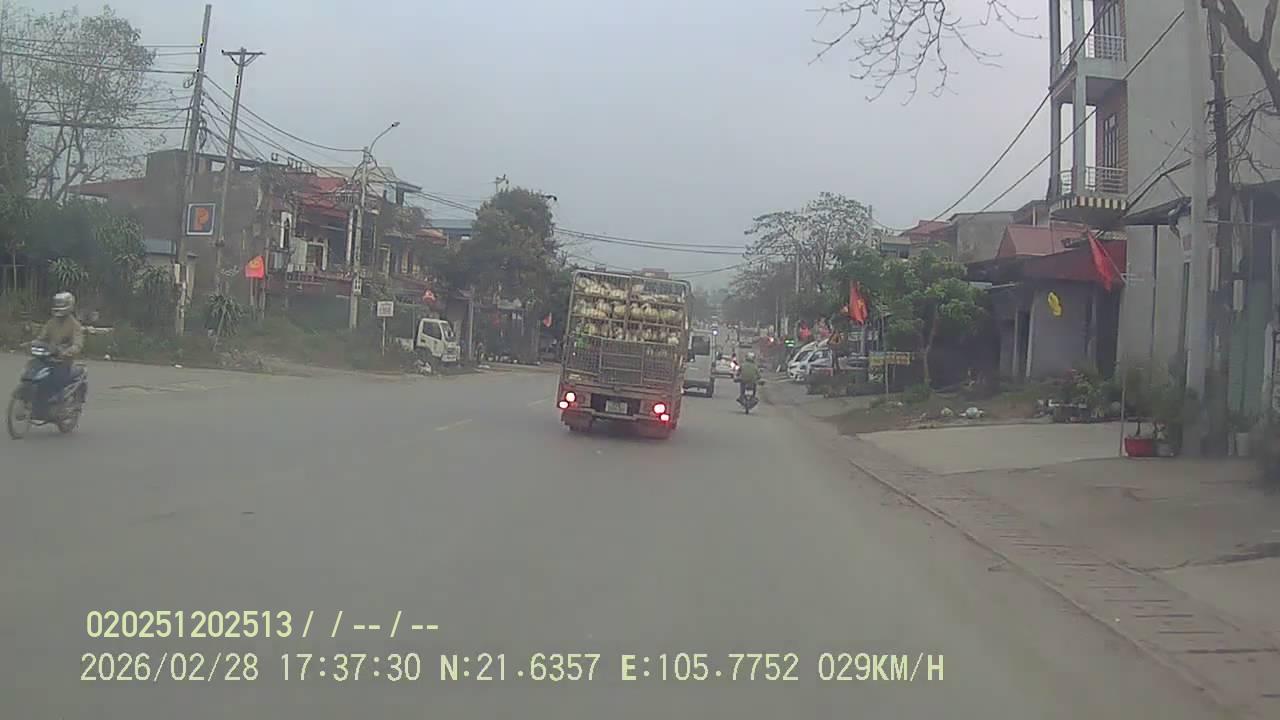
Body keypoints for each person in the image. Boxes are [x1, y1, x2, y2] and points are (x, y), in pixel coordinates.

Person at [35, 291, 84, 402]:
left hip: (63, 361)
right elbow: (42, 337)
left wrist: (67, 352)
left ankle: (58, 402)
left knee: (57, 378)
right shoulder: (51, 322)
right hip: (47, 358)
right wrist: (33, 343)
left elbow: (77, 345)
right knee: (34, 369)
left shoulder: (74, 325)